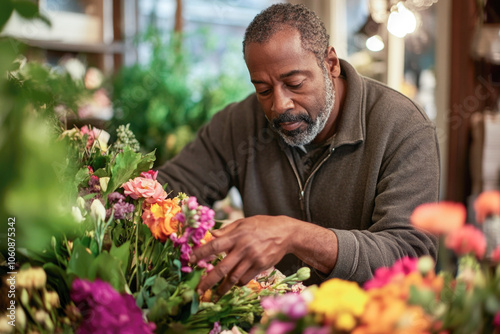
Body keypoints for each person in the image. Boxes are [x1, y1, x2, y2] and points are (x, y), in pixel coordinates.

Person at [157, 3, 440, 297]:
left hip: (371, 320)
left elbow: (410, 257)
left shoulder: (402, 127)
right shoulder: (238, 124)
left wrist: (294, 235)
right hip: (271, 320)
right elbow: (167, 190)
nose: (279, 105)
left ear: (331, 64)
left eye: (294, 83)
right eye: (263, 90)